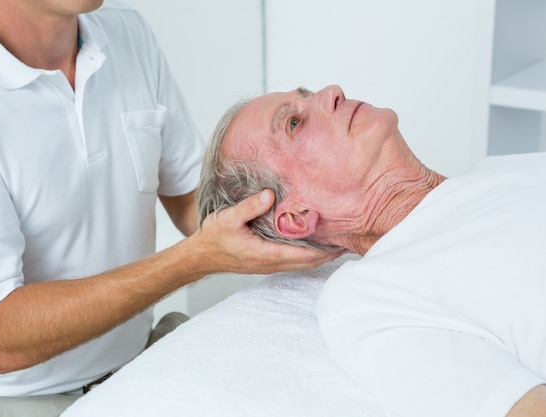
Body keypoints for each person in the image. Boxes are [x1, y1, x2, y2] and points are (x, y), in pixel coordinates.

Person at [0, 1, 335, 415]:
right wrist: (196, 258)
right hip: (15, 405)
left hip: (136, 378)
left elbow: (196, 201)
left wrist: (314, 213)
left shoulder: (124, 35)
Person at [196, 84, 546, 417]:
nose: (332, 91)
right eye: (294, 123)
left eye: (309, 94)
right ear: (298, 216)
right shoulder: (368, 297)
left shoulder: (501, 169)